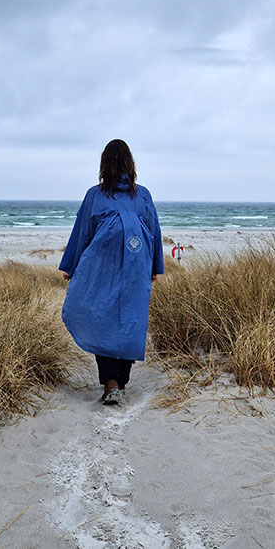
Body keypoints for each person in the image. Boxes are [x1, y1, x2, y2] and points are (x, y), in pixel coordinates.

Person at [58, 139, 163, 405]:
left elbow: (83, 233)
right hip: (137, 265)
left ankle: (111, 382)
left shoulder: (96, 195)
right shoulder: (143, 195)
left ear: (104, 164)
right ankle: (119, 379)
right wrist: (154, 267)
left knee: (101, 316)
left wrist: (71, 266)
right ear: (131, 164)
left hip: (101, 266)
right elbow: (154, 234)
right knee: (129, 315)